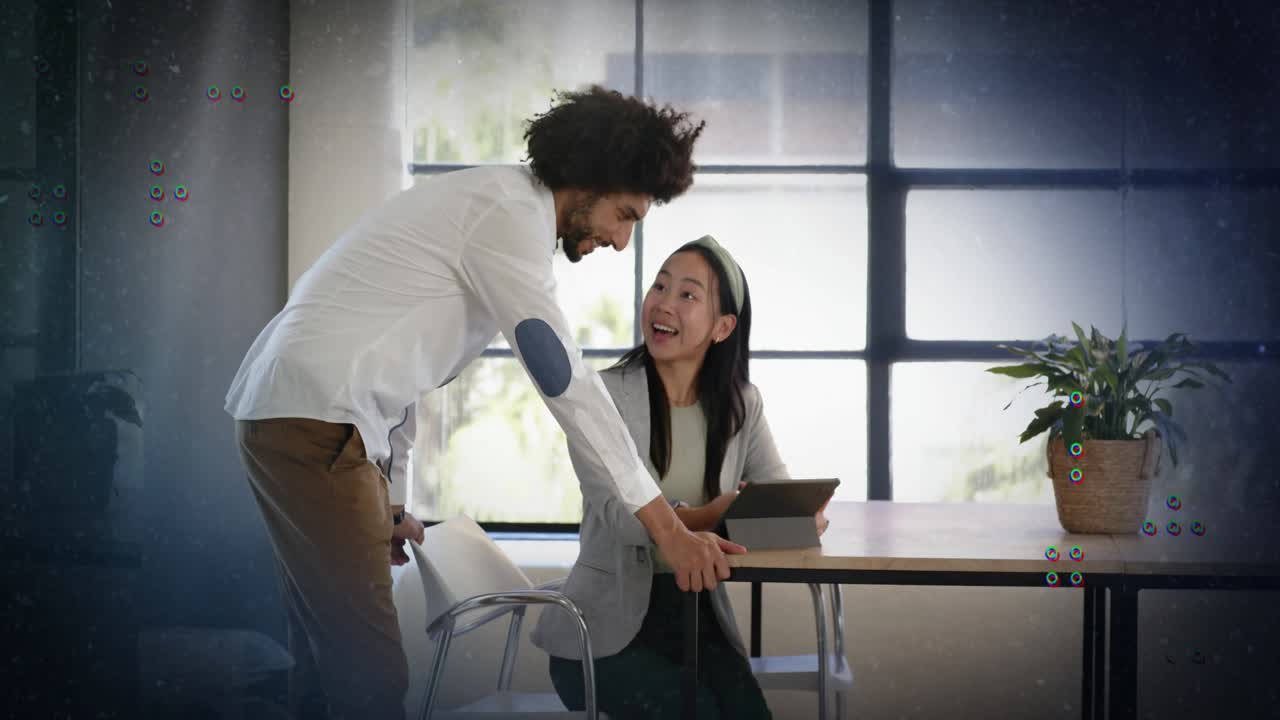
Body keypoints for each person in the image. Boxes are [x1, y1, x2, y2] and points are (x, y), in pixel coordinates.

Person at [225, 86, 744, 720]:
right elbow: (567, 385)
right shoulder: (508, 219)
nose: (620, 240)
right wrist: (668, 530)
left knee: (324, 674)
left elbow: (408, 365)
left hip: (302, 417)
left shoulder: (491, 207)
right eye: (626, 216)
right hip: (314, 423)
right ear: (591, 179)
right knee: (370, 684)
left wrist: (390, 501)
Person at [532, 236, 831, 720]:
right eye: (660, 286)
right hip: (602, 636)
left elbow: (771, 492)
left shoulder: (742, 405)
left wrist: (799, 515)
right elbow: (620, 517)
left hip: (698, 621)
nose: (663, 303)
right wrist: (712, 515)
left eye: (687, 294)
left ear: (722, 326)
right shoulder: (601, 397)